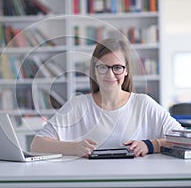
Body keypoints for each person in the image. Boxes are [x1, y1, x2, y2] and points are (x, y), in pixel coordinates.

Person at [30, 38, 182, 157]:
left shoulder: (143, 104)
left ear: (126, 70)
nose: (110, 75)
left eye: (117, 67)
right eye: (103, 67)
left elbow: (183, 140)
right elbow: (36, 144)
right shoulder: (78, 105)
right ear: (94, 70)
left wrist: (150, 145)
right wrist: (74, 148)